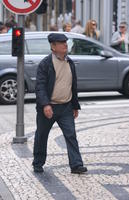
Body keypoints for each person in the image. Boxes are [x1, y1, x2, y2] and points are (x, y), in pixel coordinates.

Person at [32, 33, 87, 174]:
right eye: (61, 43)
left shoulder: (70, 62)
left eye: (66, 42)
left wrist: (75, 106)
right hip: (49, 107)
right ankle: (38, 163)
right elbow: (40, 87)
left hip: (66, 107)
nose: (65, 45)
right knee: (41, 135)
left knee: (71, 135)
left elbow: (72, 86)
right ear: (53, 46)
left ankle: (76, 165)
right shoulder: (45, 64)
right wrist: (45, 105)